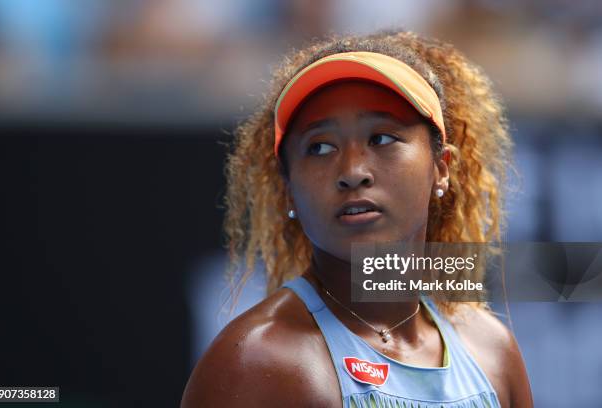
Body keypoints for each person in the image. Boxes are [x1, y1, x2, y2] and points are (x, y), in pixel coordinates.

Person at [181, 29, 533, 407]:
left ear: (441, 168)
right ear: (288, 189)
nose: (352, 170)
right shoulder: (258, 364)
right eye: (320, 147)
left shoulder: (491, 351)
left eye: (381, 138)